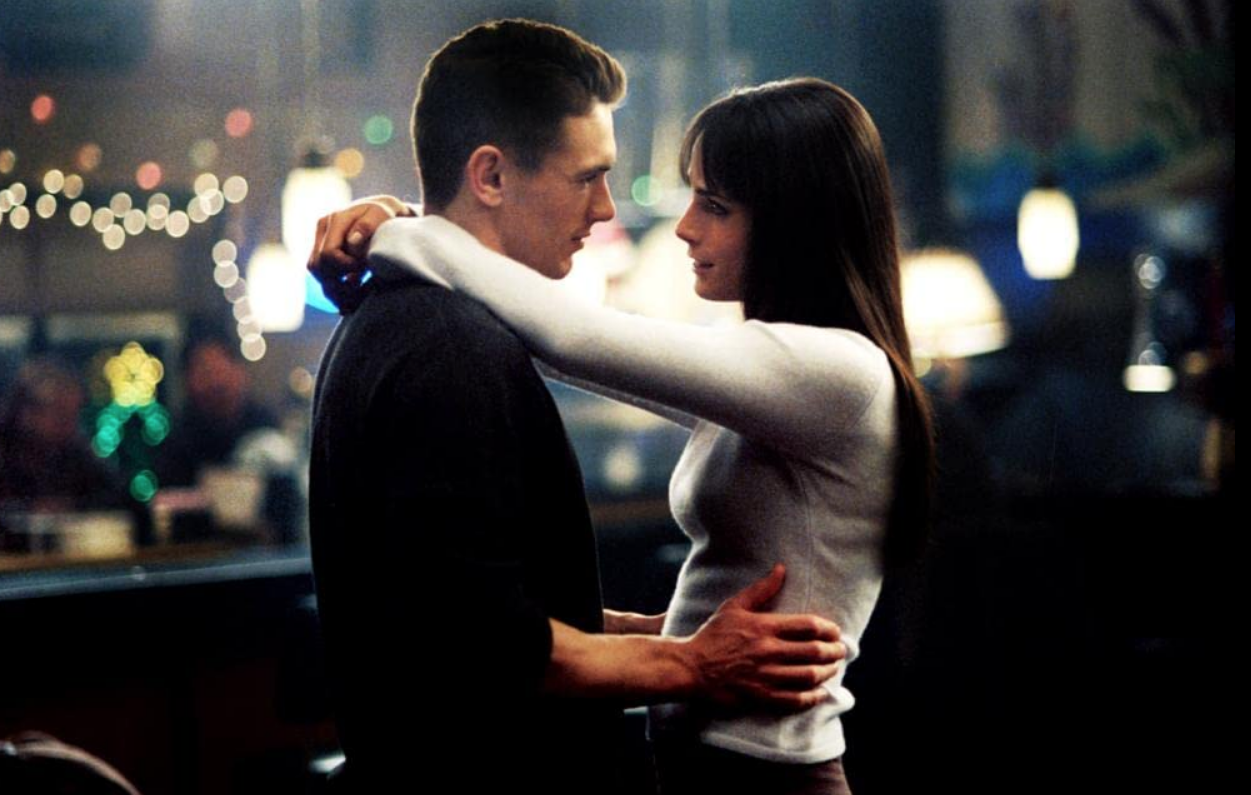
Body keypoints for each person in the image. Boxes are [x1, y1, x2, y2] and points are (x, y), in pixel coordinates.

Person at [315, 76, 936, 794]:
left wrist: (395, 231)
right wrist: (402, 223)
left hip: (769, 780)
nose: (684, 227)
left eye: (715, 205)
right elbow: (552, 347)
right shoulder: (783, 370)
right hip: (705, 769)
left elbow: (570, 335)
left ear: (794, 224)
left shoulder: (835, 372)